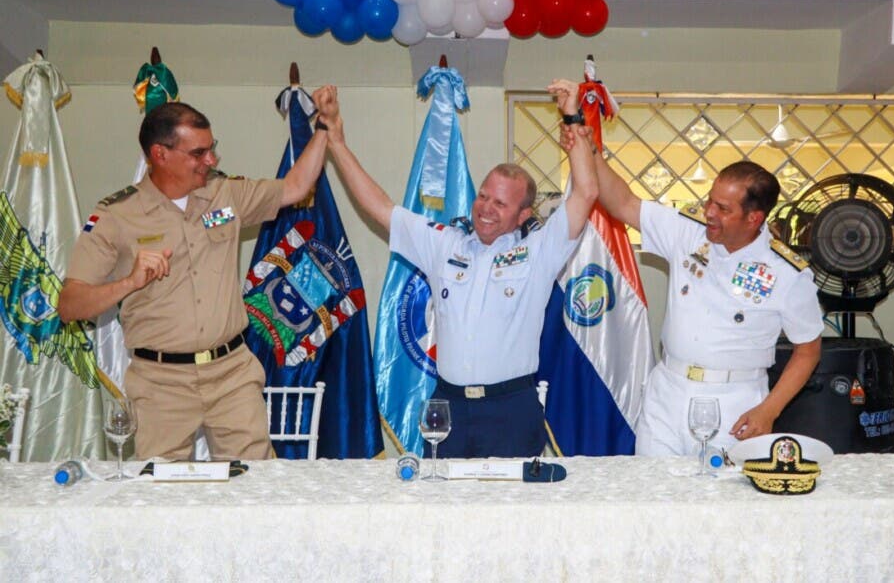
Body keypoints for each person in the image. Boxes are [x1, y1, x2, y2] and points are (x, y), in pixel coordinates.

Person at [320, 79, 597, 458]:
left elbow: (585, 193)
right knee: (443, 516)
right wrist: (336, 142)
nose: (485, 208)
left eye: (500, 204)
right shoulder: (445, 243)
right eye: (483, 196)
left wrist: (572, 117)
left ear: (523, 215)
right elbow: (381, 208)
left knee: (512, 515)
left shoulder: (539, 253)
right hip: (447, 407)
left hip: (511, 409)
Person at [57, 91, 334, 460]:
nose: (212, 159)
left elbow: (297, 186)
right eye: (198, 153)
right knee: (163, 500)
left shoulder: (225, 195)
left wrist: (324, 126)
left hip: (231, 374)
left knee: (256, 489)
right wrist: (129, 283)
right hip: (161, 384)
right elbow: (69, 305)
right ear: (160, 154)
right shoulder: (115, 216)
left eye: (211, 148)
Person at [563, 125, 822, 455]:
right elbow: (624, 203)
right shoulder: (687, 233)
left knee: (721, 501)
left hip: (736, 402)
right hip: (667, 394)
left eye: (724, 209)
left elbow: (808, 350)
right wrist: (589, 148)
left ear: (754, 218)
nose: (710, 213)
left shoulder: (787, 274)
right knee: (655, 495)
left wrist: (769, 410)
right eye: (710, 201)